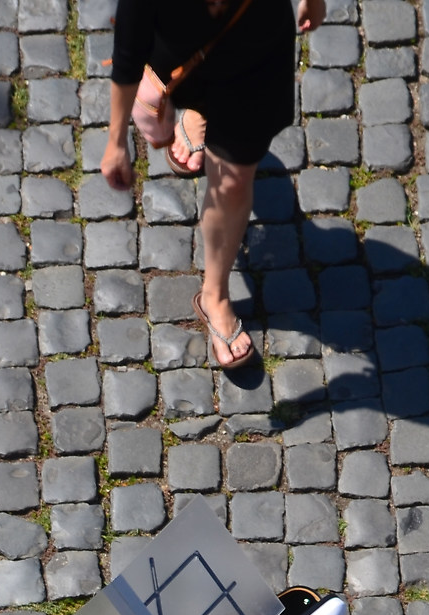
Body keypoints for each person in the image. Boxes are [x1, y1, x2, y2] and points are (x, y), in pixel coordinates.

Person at [98, 0, 322, 371]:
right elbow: (128, 53)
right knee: (195, 67)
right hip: (188, 50)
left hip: (255, 51)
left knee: (233, 181)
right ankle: (199, 111)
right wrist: (115, 140)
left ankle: (214, 295)